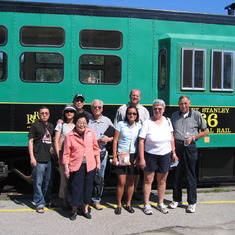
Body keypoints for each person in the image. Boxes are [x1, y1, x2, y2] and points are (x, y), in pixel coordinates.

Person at [169, 95, 209, 213]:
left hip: (190, 147)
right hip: (178, 146)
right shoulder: (174, 116)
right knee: (176, 174)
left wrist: (193, 137)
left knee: (190, 174)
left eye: (185, 103)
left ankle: (191, 202)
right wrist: (173, 150)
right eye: (181, 103)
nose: (183, 106)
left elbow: (206, 131)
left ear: (189, 103)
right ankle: (177, 200)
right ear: (179, 104)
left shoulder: (197, 115)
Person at [139, 99, 178, 215]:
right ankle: (146, 204)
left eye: (159, 109)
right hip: (150, 155)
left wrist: (173, 153)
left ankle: (160, 203)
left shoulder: (168, 121)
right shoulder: (147, 122)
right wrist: (141, 158)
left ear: (163, 110)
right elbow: (141, 141)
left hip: (165, 155)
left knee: (162, 180)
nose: (157, 111)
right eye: (155, 108)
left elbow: (171, 138)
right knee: (148, 180)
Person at [62, 113, 100, 220]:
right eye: (80, 122)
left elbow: (96, 149)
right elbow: (66, 153)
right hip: (76, 165)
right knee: (75, 189)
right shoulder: (70, 135)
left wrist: (98, 162)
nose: (82, 125)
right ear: (75, 123)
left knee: (88, 188)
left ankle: (85, 209)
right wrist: (66, 168)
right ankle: (74, 210)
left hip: (90, 165)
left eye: (84, 123)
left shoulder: (91, 133)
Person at [114, 89, 150, 200]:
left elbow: (147, 128)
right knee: (122, 179)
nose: (135, 97)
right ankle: (123, 196)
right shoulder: (122, 109)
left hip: (136, 149)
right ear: (130, 96)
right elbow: (116, 128)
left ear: (140, 97)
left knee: (134, 175)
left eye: (137, 96)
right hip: (123, 151)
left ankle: (132, 193)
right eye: (133, 95)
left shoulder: (144, 111)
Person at [112, 105, 142, 215]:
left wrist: (139, 157)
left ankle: (128, 204)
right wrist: (114, 156)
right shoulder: (120, 125)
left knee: (131, 182)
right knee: (121, 182)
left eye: (134, 114)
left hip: (133, 155)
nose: (132, 115)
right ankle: (119, 204)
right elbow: (115, 140)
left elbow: (140, 142)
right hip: (121, 155)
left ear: (137, 115)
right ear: (126, 114)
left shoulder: (139, 126)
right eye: (130, 113)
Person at [88, 99, 114, 210]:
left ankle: (96, 200)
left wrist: (108, 139)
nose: (97, 109)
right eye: (95, 107)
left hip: (102, 154)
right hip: (89, 154)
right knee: (89, 177)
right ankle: (87, 199)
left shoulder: (107, 121)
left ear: (102, 109)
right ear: (91, 109)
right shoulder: (87, 121)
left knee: (100, 177)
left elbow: (115, 136)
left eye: (99, 107)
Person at [28, 106, 54, 213]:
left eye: (46, 113)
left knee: (48, 182)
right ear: (39, 114)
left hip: (49, 159)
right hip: (38, 159)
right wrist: (32, 157)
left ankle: (47, 200)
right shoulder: (35, 126)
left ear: (49, 115)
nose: (44, 115)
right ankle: (39, 203)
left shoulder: (51, 126)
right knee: (38, 182)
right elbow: (30, 141)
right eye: (42, 113)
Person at [54, 104, 76, 210]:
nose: (69, 113)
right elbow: (56, 141)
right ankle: (64, 201)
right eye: (67, 111)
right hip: (64, 156)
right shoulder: (60, 125)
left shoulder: (77, 125)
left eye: (71, 111)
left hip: (74, 157)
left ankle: (72, 201)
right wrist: (59, 157)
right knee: (64, 180)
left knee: (74, 180)